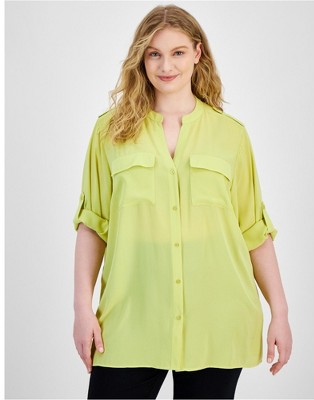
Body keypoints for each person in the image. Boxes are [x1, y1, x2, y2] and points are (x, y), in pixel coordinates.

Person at [73, 4, 292, 399]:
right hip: (131, 318)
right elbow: (93, 224)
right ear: (141, 58)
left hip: (217, 319)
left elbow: (253, 230)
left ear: (197, 53)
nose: (165, 65)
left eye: (177, 52)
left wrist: (280, 312)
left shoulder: (230, 135)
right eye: (154, 54)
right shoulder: (109, 132)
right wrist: (82, 309)